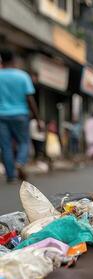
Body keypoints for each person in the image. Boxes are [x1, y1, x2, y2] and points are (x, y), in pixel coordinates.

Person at [0, 49, 40, 183]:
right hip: (20, 115)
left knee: (5, 145)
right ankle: (20, 162)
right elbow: (30, 98)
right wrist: (38, 118)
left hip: (1, 116)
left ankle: (11, 176)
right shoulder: (23, 76)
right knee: (24, 142)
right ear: (14, 60)